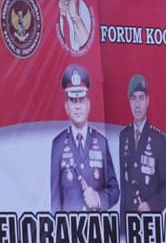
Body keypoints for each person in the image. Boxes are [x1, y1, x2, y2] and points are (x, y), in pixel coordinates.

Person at [50, 64, 119, 213]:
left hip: (96, 232)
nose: (77, 107)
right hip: (70, 232)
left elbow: (115, 190)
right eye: (73, 101)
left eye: (81, 100)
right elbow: (55, 200)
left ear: (88, 105)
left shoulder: (101, 142)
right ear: (66, 107)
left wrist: (99, 199)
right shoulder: (58, 144)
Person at [119, 75, 166, 219]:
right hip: (127, 221)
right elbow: (124, 185)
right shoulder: (123, 136)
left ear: (148, 101)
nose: (137, 105)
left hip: (150, 221)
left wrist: (152, 205)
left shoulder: (158, 139)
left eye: (141, 98)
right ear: (129, 102)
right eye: (134, 98)